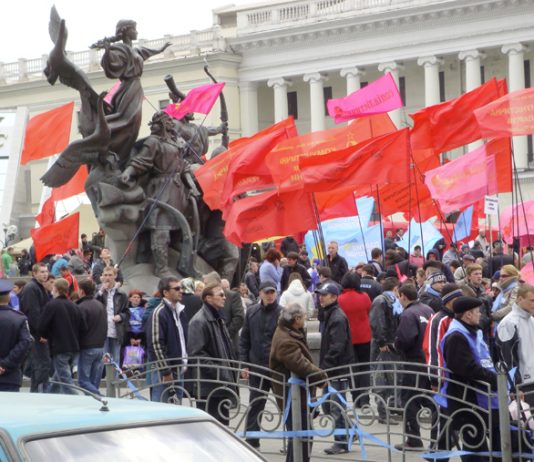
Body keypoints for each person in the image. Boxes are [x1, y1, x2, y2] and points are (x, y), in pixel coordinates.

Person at [440, 296, 500, 461]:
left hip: (481, 397)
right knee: (474, 448)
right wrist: (493, 379)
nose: (480, 314)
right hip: (467, 398)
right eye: (477, 311)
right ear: (467, 315)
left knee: (488, 445)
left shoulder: (472, 331)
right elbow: (466, 368)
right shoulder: (457, 336)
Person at [270, 303, 327, 462]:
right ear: (296, 319)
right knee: (300, 437)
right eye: (303, 317)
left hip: (298, 393)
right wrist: (321, 377)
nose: (306, 319)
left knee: (301, 435)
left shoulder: (291, 331)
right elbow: (299, 364)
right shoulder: (285, 339)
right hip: (292, 395)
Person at [239, 281, 282, 450]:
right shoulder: (251, 312)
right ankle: (251, 440)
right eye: (267, 292)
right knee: (255, 403)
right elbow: (244, 341)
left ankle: (293, 441)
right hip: (257, 366)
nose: (270, 295)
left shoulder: (283, 313)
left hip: (277, 368)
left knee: (285, 404)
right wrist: (244, 364)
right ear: (260, 294)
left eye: (272, 292)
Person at [187, 283, 238, 426]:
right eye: (220, 295)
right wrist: (221, 372)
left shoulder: (218, 318)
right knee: (211, 431)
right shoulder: (199, 321)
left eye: (224, 294)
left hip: (220, 385)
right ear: (208, 298)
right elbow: (197, 355)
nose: (224, 297)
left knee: (222, 429)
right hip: (208, 387)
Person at [394, 283, 433, 450]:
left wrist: (396, 345)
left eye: (399, 296)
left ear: (403, 296)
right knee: (427, 398)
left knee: (409, 399)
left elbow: (405, 339)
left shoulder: (408, 314)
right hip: (428, 361)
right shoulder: (427, 309)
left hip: (413, 362)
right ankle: (445, 429)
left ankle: (413, 439)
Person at [316, 282, 354, 455]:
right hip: (334, 368)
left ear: (334, 296)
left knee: (335, 406)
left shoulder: (336, 316)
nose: (321, 297)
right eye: (320, 294)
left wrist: (325, 368)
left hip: (337, 369)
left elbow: (337, 346)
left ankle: (341, 442)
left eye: (324, 294)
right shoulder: (330, 314)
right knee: (329, 404)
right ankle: (350, 432)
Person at [38, 278, 86, 394]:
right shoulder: (74, 306)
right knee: (59, 375)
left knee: (64, 377)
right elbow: (83, 327)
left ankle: (75, 399)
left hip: (60, 346)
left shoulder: (52, 305)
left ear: (56, 289)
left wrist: (44, 335)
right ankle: (51, 396)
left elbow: (42, 325)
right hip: (74, 346)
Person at [146, 277, 188, 402]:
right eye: (176, 289)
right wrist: (166, 370)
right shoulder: (159, 312)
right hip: (164, 371)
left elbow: (182, 340)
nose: (181, 291)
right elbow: (156, 344)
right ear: (165, 292)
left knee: (176, 409)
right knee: (161, 410)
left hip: (178, 368)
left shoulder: (180, 312)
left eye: (181, 288)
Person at [369, 276, 401, 423]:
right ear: (394, 289)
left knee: (390, 377)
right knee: (381, 378)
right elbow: (376, 323)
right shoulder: (381, 301)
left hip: (390, 344)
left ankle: (391, 408)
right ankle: (382, 413)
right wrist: (381, 342)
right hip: (382, 346)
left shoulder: (392, 302)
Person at [497, 284, 534, 406]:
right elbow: (508, 359)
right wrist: (515, 387)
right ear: (519, 299)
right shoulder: (508, 323)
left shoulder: (532, 320)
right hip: (524, 384)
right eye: (532, 300)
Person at [338, 272, 372, 407]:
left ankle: (355, 396)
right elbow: (369, 311)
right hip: (364, 337)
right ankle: (365, 399)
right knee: (364, 368)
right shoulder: (365, 297)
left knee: (352, 369)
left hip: (348, 339)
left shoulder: (340, 299)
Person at [20, 263, 52, 393]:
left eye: (46, 271)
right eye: (42, 272)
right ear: (34, 273)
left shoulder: (38, 287)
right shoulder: (32, 288)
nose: (45, 274)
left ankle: (39, 393)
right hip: (36, 335)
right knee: (40, 367)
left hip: (38, 334)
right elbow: (33, 314)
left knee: (41, 367)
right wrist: (41, 334)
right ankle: (37, 395)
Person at [0, 279, 32, 392]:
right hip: (10, 376)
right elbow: (25, 342)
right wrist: (5, 364)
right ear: (9, 297)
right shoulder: (19, 318)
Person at [77, 279, 107, 395]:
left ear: (82, 291)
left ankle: (100, 397)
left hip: (87, 346)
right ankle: (94, 403)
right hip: (100, 346)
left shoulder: (81, 307)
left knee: (83, 381)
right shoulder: (100, 305)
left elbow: (81, 328)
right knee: (94, 382)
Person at [95, 266, 129, 366]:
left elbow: (127, 312)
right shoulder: (98, 291)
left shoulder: (121, 294)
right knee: (103, 361)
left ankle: (115, 381)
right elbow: (92, 305)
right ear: (102, 277)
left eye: (110, 275)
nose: (107, 278)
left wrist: (121, 316)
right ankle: (103, 381)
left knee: (115, 360)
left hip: (116, 331)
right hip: (102, 331)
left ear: (115, 276)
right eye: (105, 275)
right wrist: (100, 291)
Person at [203, 271, 244, 353]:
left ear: (214, 283)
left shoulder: (233, 296)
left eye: (206, 283)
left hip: (230, 345)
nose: (204, 286)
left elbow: (239, 318)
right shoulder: (206, 299)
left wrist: (225, 335)